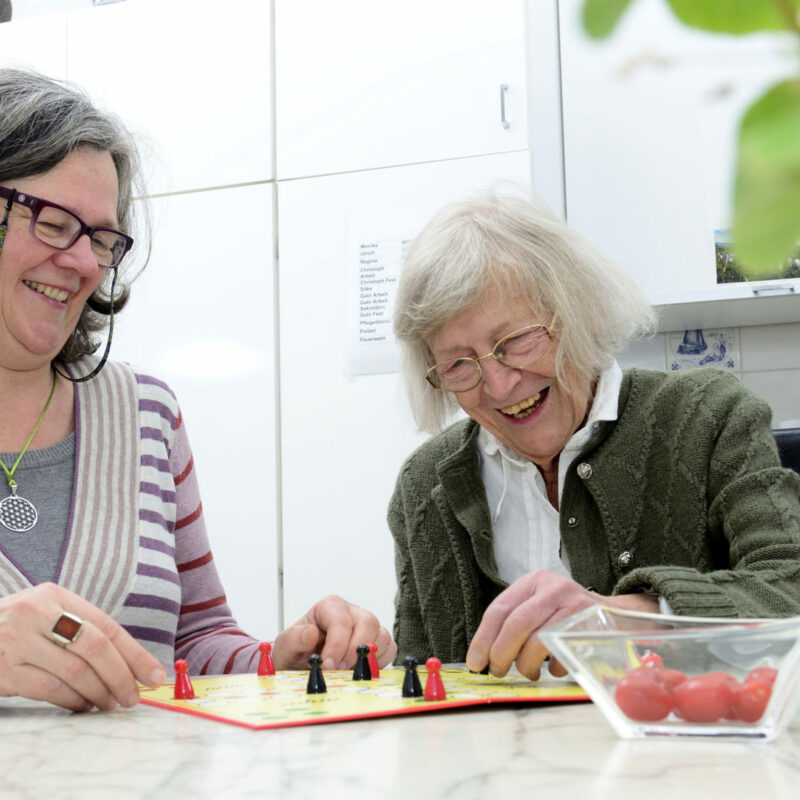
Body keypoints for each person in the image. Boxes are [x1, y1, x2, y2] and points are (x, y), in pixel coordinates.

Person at [0, 68, 396, 712]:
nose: (79, 263)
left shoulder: (144, 415)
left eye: (101, 240)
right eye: (50, 223)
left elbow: (197, 638)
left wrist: (283, 659)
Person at [389, 191, 800, 681]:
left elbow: (788, 584)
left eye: (517, 340)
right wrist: (347, 657)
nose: (498, 385)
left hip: (679, 753)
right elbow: (414, 673)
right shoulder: (424, 483)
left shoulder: (709, 415)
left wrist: (624, 616)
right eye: (459, 364)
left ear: (576, 312)